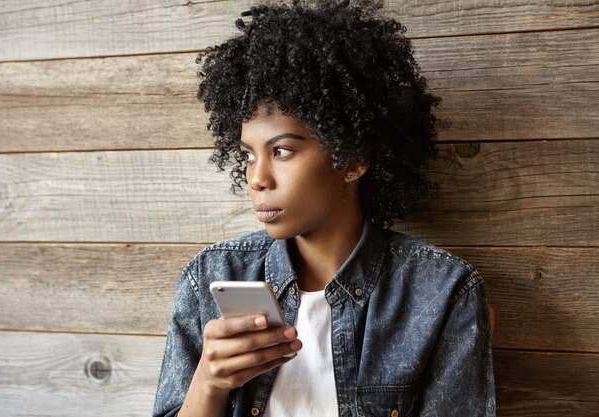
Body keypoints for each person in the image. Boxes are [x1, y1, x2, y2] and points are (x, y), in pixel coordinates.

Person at [153, 0, 496, 416]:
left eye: (281, 150)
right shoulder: (212, 278)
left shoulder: (441, 293)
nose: (257, 177)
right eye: (247, 154)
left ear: (352, 160)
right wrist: (209, 383)